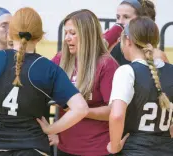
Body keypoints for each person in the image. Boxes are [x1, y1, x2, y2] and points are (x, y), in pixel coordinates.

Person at [0, 7, 89, 156]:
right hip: (33, 148)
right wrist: (51, 129)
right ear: (40, 37)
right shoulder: (49, 68)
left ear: (10, 34)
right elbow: (81, 108)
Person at [51, 9, 119, 156]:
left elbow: (113, 111)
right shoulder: (60, 59)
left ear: (87, 35)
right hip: (66, 146)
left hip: (97, 148)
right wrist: (51, 131)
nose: (67, 38)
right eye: (66, 33)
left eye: (73, 33)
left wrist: (82, 111)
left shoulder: (106, 64)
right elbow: (42, 92)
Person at [108, 16, 173, 155]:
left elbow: (117, 115)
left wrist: (114, 146)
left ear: (128, 41)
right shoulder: (171, 70)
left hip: (134, 149)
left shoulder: (126, 71)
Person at [111, 0, 169, 65]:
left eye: (126, 17)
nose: (120, 22)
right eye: (118, 17)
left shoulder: (158, 56)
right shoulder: (115, 48)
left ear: (140, 20)